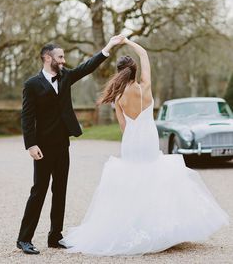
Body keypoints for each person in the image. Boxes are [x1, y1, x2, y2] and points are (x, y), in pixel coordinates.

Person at [60, 37, 229, 256]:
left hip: (131, 140)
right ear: (134, 70)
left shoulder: (117, 96)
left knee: (132, 179)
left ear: (120, 72)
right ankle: (155, 228)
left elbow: (123, 127)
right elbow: (145, 55)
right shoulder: (145, 86)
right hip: (148, 138)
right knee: (153, 176)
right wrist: (128, 41)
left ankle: (131, 227)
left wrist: (129, 131)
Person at [17, 34, 126, 255]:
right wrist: (31, 144)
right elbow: (27, 117)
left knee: (60, 191)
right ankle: (24, 239)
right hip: (43, 147)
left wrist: (108, 47)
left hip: (62, 144)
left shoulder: (66, 77)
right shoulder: (31, 85)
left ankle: (55, 237)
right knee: (39, 191)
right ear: (47, 58)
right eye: (60, 57)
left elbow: (87, 67)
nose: (64, 61)